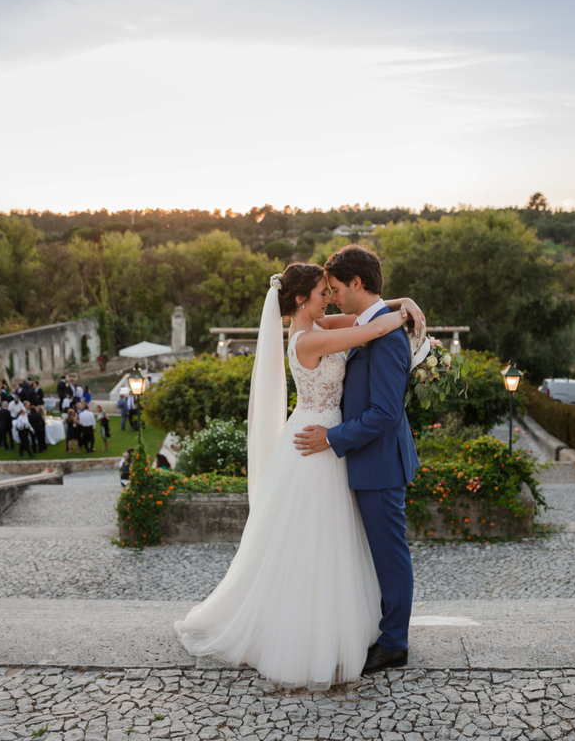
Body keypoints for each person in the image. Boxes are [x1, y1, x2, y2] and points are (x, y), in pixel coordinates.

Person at [175, 261, 425, 688]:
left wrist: (403, 302)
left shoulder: (320, 323)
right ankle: (307, 634)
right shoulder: (307, 339)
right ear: (299, 299)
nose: (329, 296)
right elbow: (368, 330)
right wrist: (399, 317)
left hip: (331, 438)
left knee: (337, 539)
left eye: (331, 289)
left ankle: (353, 628)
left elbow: (364, 316)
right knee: (309, 539)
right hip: (316, 441)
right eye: (321, 292)